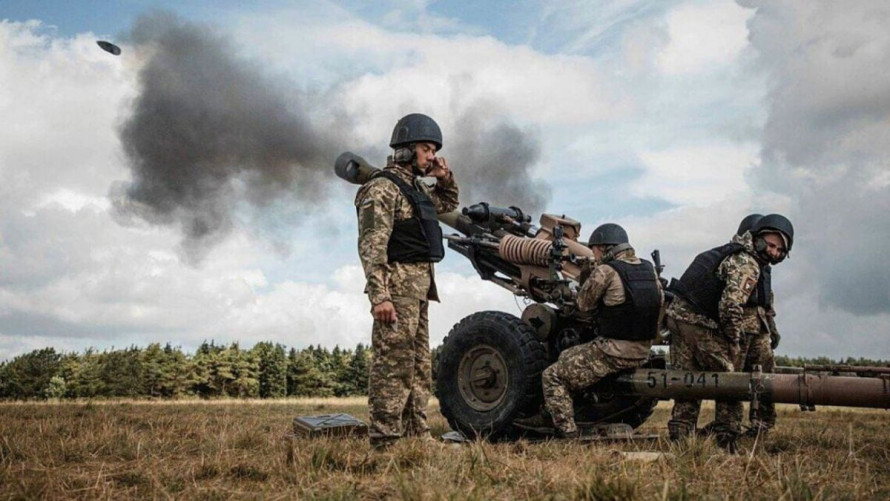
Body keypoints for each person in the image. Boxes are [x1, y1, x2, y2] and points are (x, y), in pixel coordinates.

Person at [354, 113, 459, 449]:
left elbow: (449, 203)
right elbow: (373, 244)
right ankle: (385, 439)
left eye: (433, 150)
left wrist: (444, 178)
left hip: (418, 291)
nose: (432, 156)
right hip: (396, 290)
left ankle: (417, 435)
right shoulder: (382, 188)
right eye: (426, 149)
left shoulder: (415, 190)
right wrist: (379, 296)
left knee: (417, 367)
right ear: (405, 149)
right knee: (393, 365)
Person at [515, 223, 663, 438]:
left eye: (593, 250)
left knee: (553, 375)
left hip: (614, 352)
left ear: (604, 247)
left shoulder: (606, 271)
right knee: (568, 356)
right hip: (643, 351)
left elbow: (583, 305)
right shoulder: (649, 270)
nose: (593, 255)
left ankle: (567, 431)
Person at [666, 213, 793, 451]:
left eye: (780, 250)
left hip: (679, 318)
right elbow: (730, 305)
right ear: (757, 238)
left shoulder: (731, 253)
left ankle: (681, 434)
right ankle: (727, 435)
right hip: (698, 323)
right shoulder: (747, 263)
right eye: (771, 245)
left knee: (688, 377)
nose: (774, 252)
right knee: (728, 377)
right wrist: (733, 339)